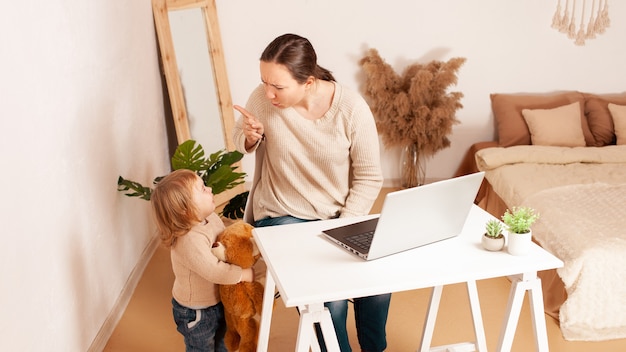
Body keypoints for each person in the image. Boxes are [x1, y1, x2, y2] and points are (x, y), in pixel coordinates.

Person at [233, 33, 391, 352]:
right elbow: (239, 139)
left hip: (339, 217)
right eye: (264, 82)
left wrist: (344, 225)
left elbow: (370, 176)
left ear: (308, 82)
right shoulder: (263, 100)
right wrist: (249, 137)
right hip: (281, 215)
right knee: (331, 300)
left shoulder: (350, 108)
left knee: (378, 286)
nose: (268, 92)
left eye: (278, 86)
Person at [150, 169, 255, 352]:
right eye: (202, 189)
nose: (210, 188)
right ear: (185, 209)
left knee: (221, 342)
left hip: (216, 301)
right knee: (201, 348)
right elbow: (215, 271)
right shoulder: (189, 240)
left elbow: (224, 240)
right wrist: (243, 274)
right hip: (196, 312)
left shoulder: (210, 218)